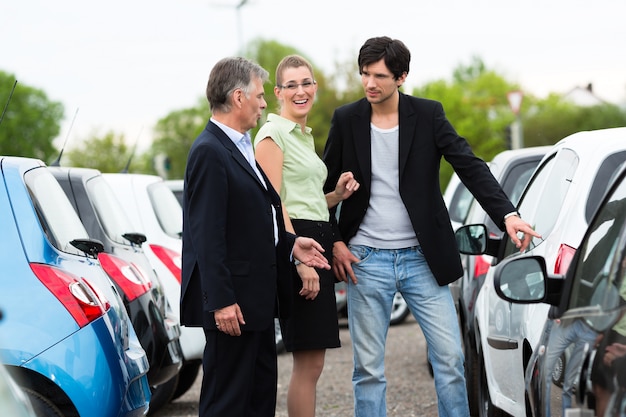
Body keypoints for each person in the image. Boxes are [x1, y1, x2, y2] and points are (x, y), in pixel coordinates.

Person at [321, 36, 541, 417]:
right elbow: (323, 189)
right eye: (364, 74)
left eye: (379, 76)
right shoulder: (346, 119)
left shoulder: (427, 115)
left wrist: (507, 214)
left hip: (422, 260)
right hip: (366, 260)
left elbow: (469, 165)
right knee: (368, 370)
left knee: (451, 361)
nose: (370, 83)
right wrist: (335, 242)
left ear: (402, 76)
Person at [180, 56, 331, 417]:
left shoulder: (241, 146)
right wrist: (220, 301)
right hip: (232, 307)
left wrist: (293, 247)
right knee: (227, 405)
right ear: (238, 98)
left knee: (259, 402)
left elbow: (257, 219)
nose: (264, 103)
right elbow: (207, 235)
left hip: (257, 306)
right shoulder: (209, 151)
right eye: (260, 96)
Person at [253, 54, 360, 417]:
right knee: (307, 365)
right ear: (278, 91)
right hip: (301, 249)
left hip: (316, 243)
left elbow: (308, 200)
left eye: (307, 83)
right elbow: (273, 202)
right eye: (292, 85)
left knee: (314, 364)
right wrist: (298, 258)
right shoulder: (272, 134)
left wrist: (337, 196)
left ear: (315, 87)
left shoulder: (303, 136)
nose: (301, 91)